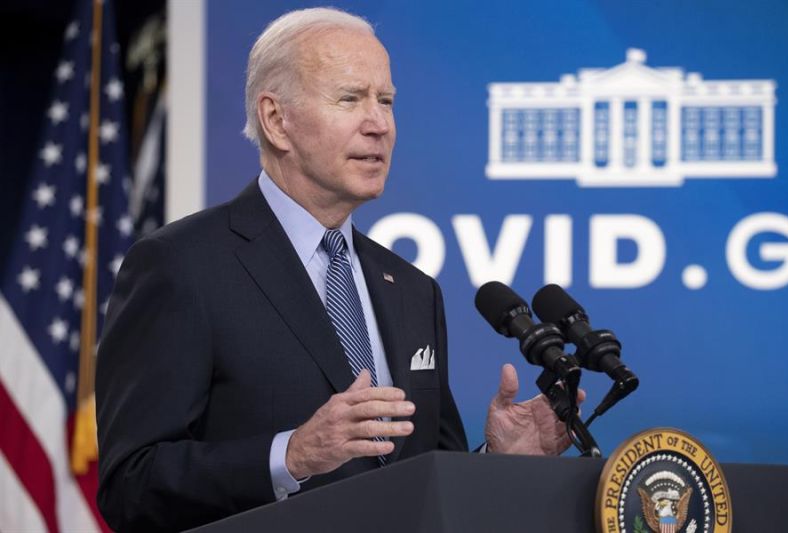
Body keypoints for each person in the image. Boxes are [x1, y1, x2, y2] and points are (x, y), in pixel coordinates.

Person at [96, 7, 578, 532]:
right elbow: (131, 484)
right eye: (350, 99)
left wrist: (495, 462)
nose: (379, 124)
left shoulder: (413, 290)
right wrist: (292, 455)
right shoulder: (181, 265)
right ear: (276, 120)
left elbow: (428, 488)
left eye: (386, 101)